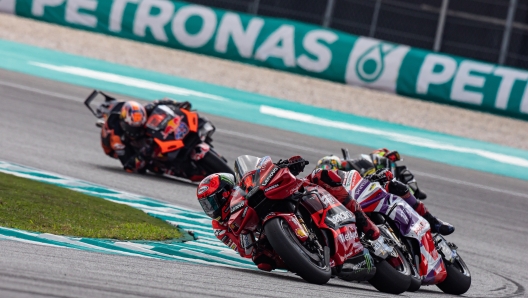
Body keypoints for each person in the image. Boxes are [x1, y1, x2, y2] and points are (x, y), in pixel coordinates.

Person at [196, 156, 380, 274]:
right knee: (263, 262)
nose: (211, 208)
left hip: (299, 192)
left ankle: (364, 223)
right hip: (263, 237)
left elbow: (265, 172)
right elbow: (244, 250)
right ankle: (309, 257)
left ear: (226, 191)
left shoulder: (244, 188)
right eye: (206, 205)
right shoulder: (219, 227)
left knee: (323, 175)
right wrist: (247, 237)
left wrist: (287, 165)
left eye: (212, 201)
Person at [316, 155, 455, 236]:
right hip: (354, 205)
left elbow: (374, 166)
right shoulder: (328, 189)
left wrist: (378, 176)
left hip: (371, 189)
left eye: (330, 168)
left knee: (396, 187)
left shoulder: (356, 164)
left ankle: (433, 221)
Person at [100, 98, 192, 174]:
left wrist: (178, 104)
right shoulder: (117, 140)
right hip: (136, 150)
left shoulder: (146, 109)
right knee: (156, 167)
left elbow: (162, 101)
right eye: (135, 128)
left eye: (141, 125)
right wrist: (143, 154)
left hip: (151, 137)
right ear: (126, 125)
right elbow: (129, 166)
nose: (138, 129)